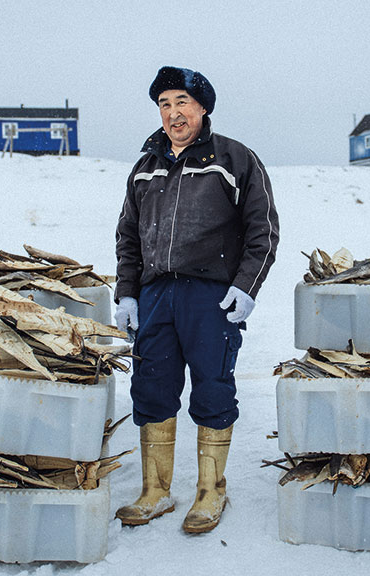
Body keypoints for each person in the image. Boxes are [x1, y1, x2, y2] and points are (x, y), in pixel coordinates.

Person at [113, 66, 279, 533]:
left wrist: (246, 287)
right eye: (164, 105)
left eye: (181, 102)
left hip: (211, 297)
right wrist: (127, 294)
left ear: (202, 107)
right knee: (151, 387)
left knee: (212, 389)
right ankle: (156, 491)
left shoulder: (235, 158)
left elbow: (262, 231)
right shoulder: (146, 166)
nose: (173, 113)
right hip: (156, 295)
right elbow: (128, 236)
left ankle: (210, 492)